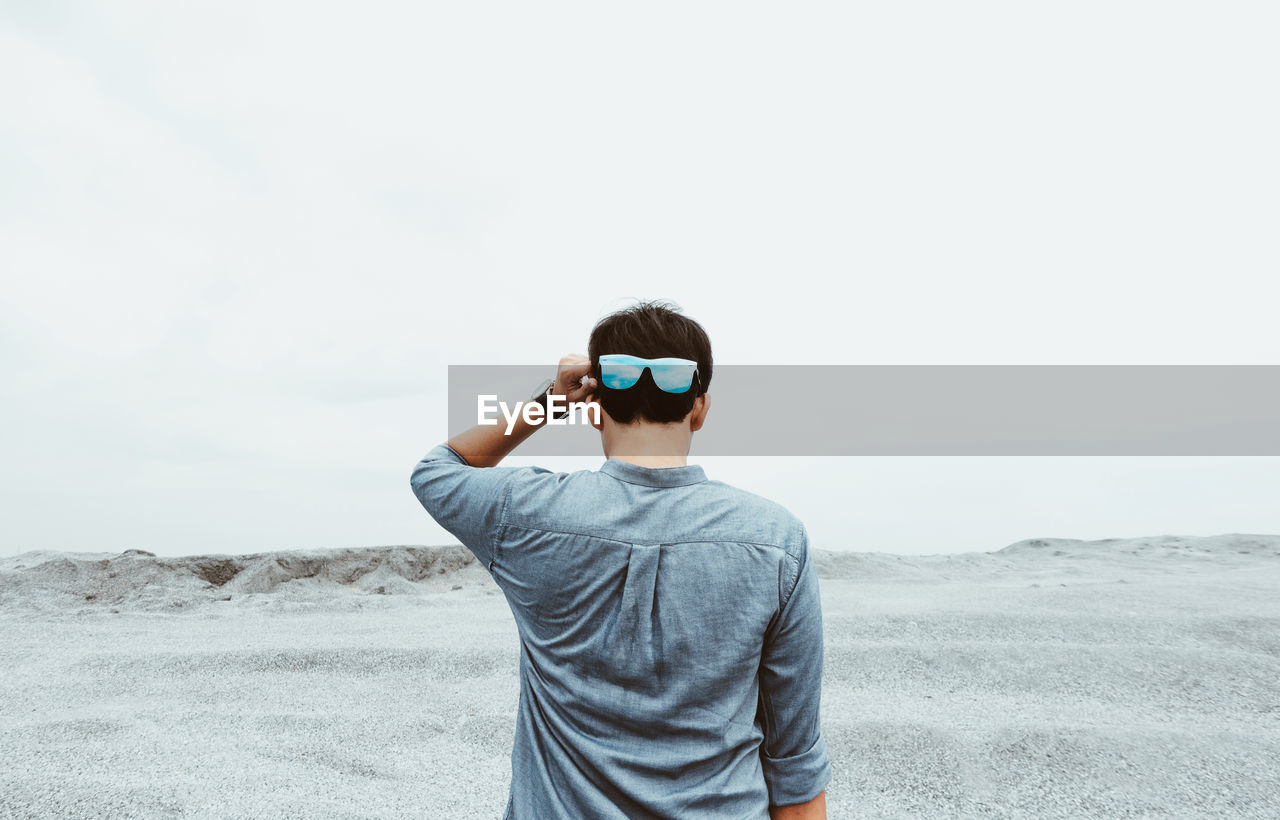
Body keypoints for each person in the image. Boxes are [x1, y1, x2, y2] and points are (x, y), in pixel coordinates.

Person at [410, 301, 830, 819]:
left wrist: (548, 402)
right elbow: (795, 758)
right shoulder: (776, 539)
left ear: (594, 407)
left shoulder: (525, 513)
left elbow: (436, 471)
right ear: (699, 409)